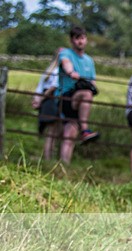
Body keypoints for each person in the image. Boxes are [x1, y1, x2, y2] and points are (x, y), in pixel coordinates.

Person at [56, 26, 99, 164]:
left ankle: (64, 165)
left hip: (79, 102)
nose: (80, 41)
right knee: (86, 95)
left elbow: (93, 80)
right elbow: (66, 64)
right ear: (72, 40)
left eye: (83, 38)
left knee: (70, 134)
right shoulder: (66, 54)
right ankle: (85, 130)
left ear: (86, 39)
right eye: (77, 38)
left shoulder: (89, 61)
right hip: (66, 95)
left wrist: (93, 87)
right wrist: (70, 72)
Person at [32, 48, 61, 160]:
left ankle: (49, 156)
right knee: (52, 131)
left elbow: (40, 87)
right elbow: (53, 87)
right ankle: (48, 158)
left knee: (53, 131)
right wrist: (41, 99)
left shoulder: (49, 69)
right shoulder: (58, 70)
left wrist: (37, 99)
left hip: (46, 100)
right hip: (51, 100)